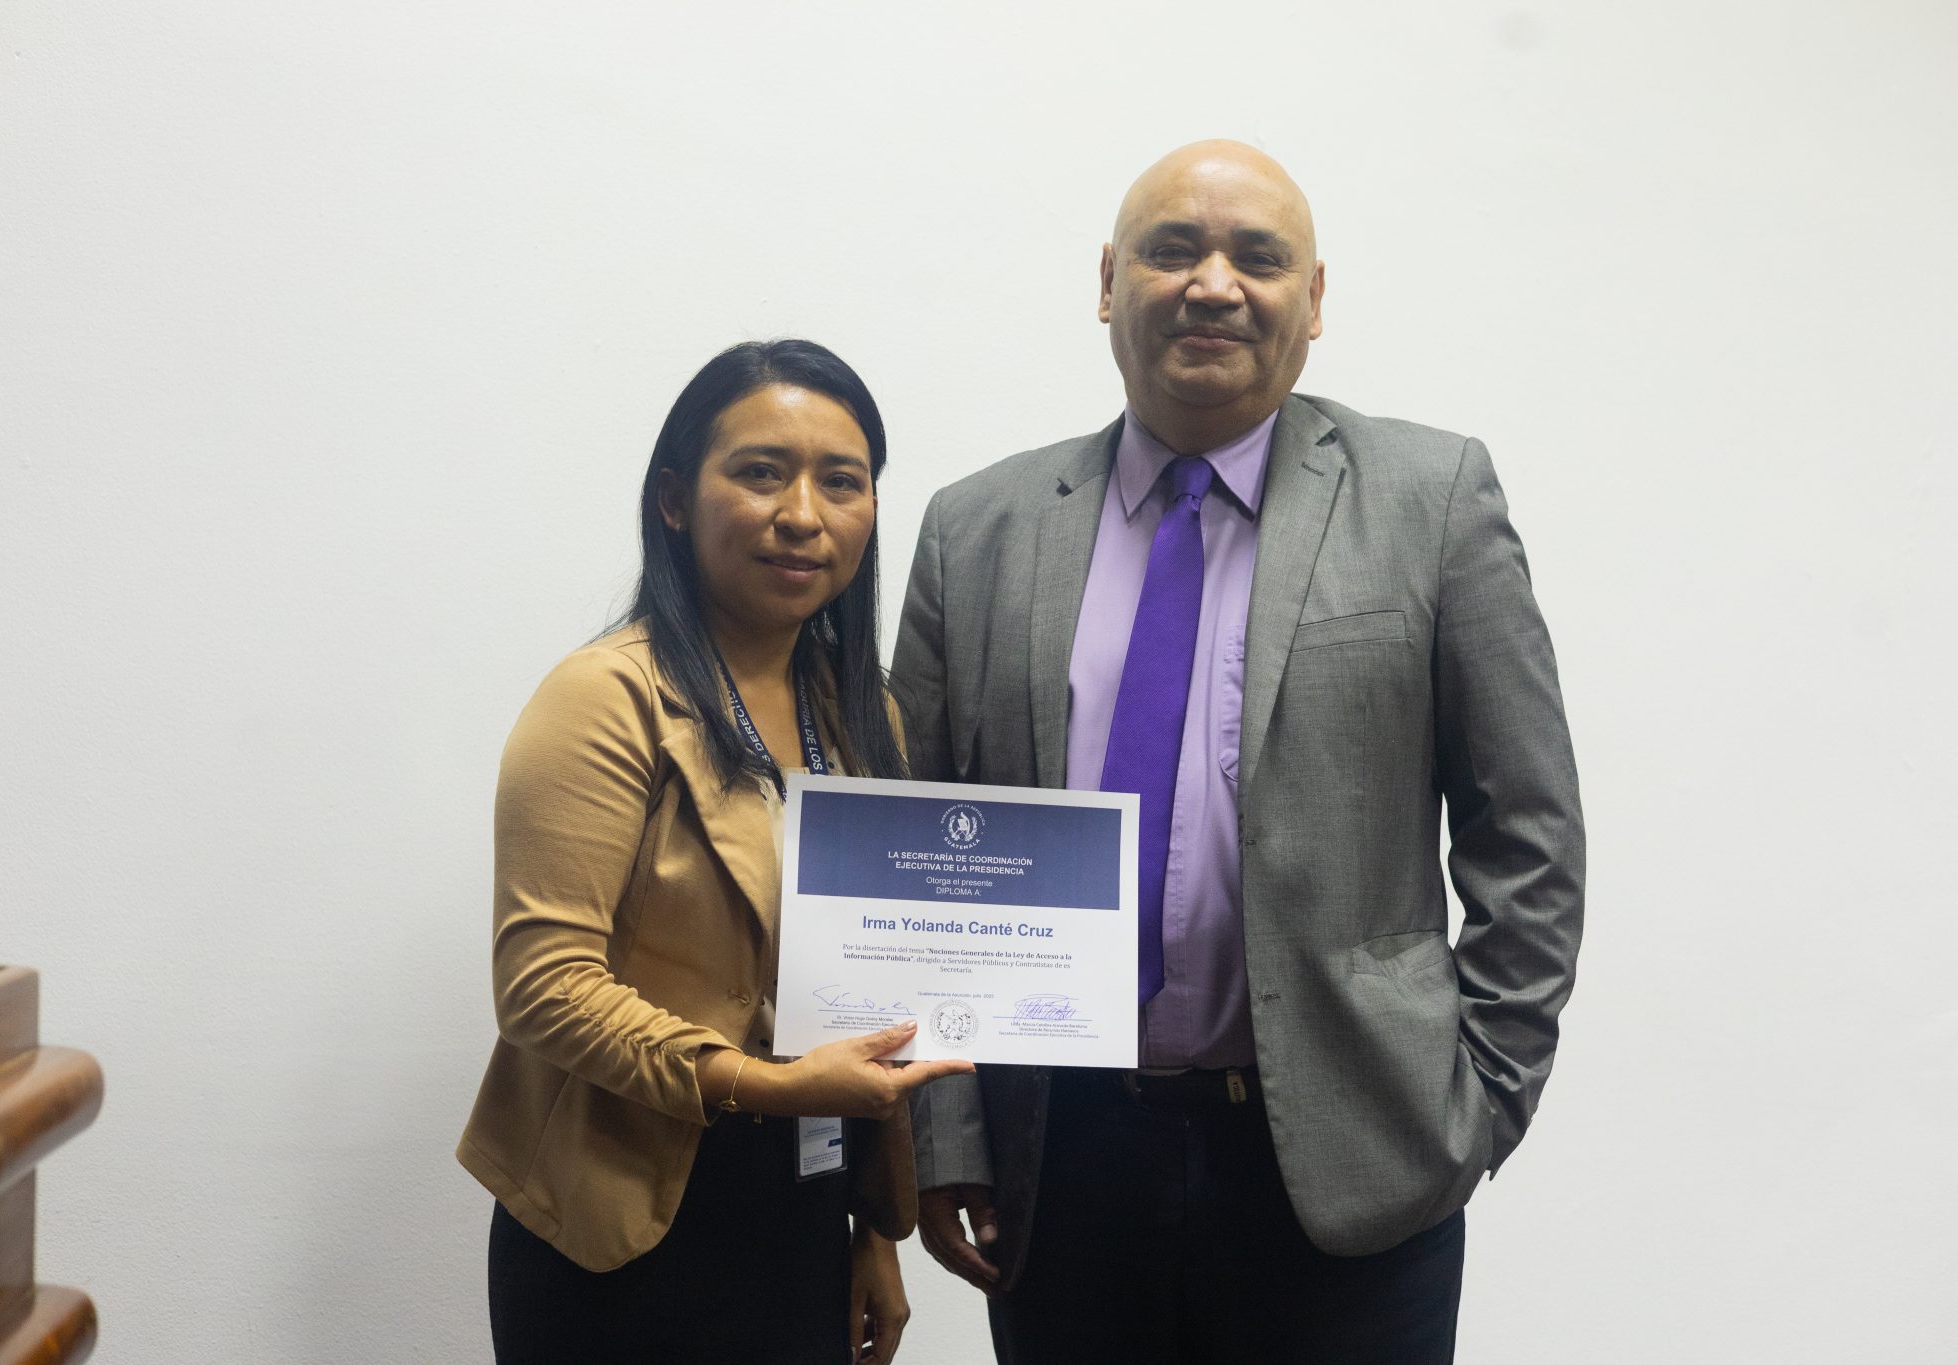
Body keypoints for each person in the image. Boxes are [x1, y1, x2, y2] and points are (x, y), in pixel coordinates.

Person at [892, 141, 1587, 1363]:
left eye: (1257, 259)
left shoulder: (1430, 500)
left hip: (1351, 1157)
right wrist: (943, 1134)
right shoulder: (975, 529)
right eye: (1171, 250)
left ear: (1311, 300)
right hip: (1061, 1159)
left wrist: (1478, 1098)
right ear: (1107, 282)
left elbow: (1525, 828)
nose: (1212, 284)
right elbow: (917, 853)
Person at [458, 339, 972, 1365]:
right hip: (616, 1229)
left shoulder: (863, 714)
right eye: (760, 472)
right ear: (673, 500)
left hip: (803, 1212)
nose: (802, 513)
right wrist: (771, 1087)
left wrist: (874, 1231)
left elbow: (870, 987)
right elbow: (543, 988)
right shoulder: (605, 697)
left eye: (841, 481)